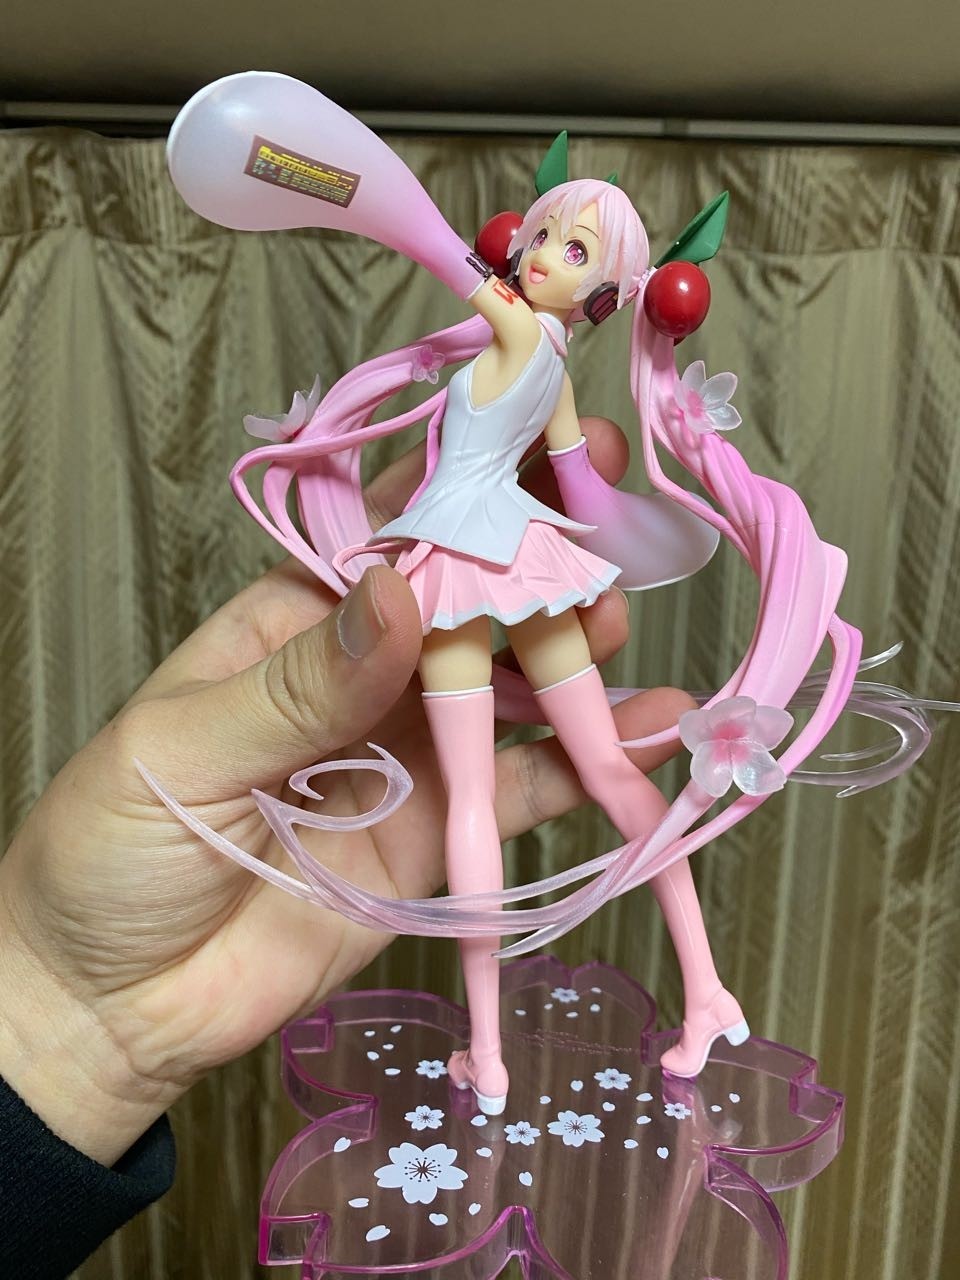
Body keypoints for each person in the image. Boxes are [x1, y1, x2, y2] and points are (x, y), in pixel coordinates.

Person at [0, 428, 691, 1278]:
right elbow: (575, 464)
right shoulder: (536, 367)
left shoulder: (503, 358)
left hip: (461, 560)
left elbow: (559, 450)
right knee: (572, 774)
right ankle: (680, 999)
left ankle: (505, 1050)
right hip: (505, 553)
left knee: (489, 796)